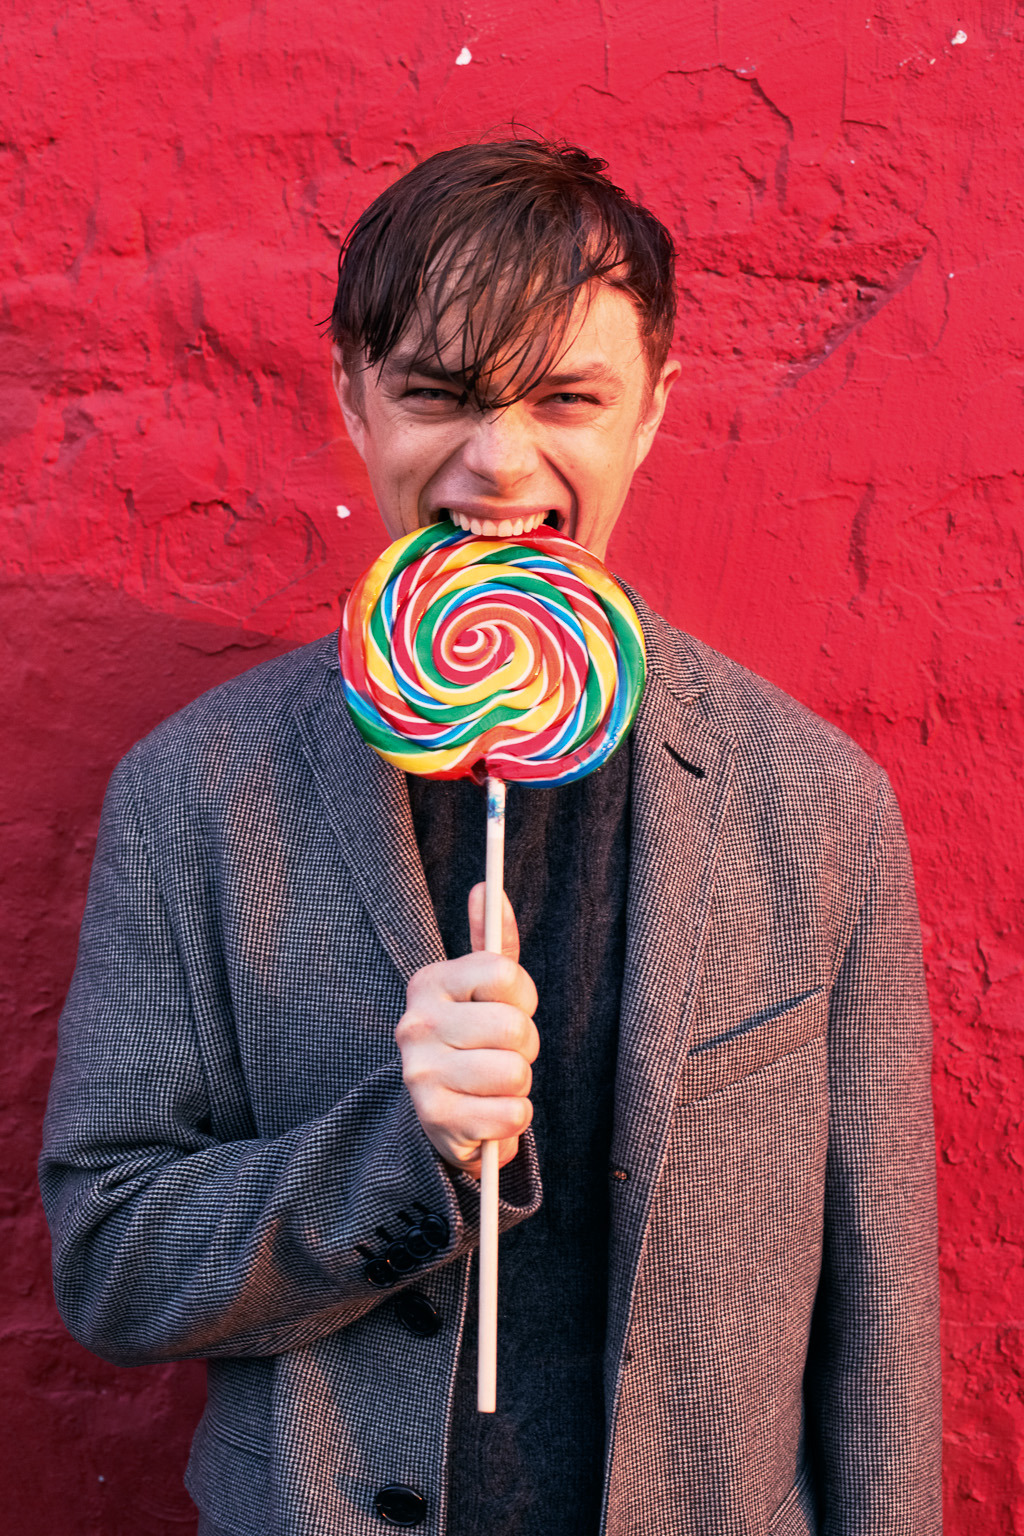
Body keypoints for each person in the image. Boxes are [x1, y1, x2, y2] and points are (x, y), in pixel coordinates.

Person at [40, 140, 941, 1535]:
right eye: (442, 395)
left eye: (567, 398)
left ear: (649, 412)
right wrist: (401, 1148)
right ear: (353, 397)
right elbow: (112, 1266)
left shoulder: (814, 807)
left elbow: (880, 1319)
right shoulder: (196, 798)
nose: (500, 459)